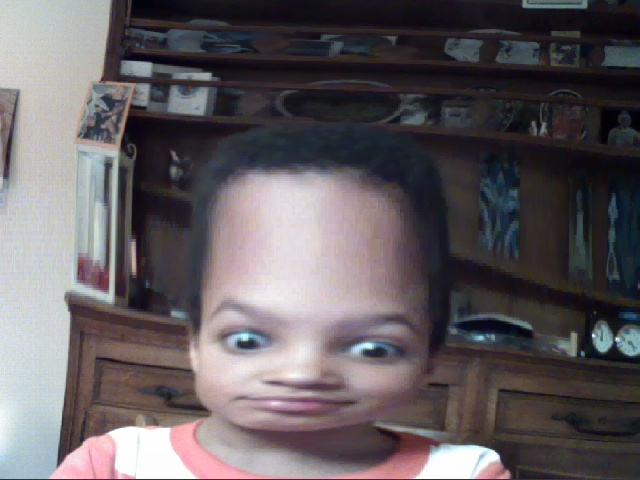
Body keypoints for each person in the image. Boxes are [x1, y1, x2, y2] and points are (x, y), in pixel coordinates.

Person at [52, 123, 510, 479]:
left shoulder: (465, 474)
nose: (302, 373)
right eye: (248, 340)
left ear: (430, 354)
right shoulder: (114, 466)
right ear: (195, 342)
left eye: (373, 348)